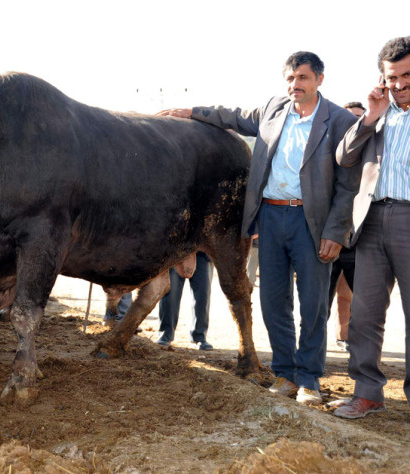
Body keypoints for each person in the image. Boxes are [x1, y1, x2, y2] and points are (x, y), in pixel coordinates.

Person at [159, 51, 358, 405]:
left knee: (312, 305)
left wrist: (335, 232)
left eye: (303, 78)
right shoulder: (273, 109)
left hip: (312, 224)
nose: (295, 85)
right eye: (290, 79)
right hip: (270, 216)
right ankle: (285, 375)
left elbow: (347, 184)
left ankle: (310, 380)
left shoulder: (339, 120)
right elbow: (232, 116)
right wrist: (191, 112)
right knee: (271, 301)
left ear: (319, 80)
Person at [333, 36, 410, 419]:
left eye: (406, 75)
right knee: (364, 315)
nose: (399, 85)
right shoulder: (376, 117)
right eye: (392, 78)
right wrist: (369, 117)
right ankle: (368, 393)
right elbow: (343, 156)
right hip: (373, 220)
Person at [328, 102, 366, 352]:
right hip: (329, 238)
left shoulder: (372, 158)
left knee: (360, 299)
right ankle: (315, 345)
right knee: (321, 298)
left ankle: (352, 341)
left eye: (361, 120)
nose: (356, 124)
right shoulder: (328, 157)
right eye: (351, 118)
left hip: (359, 240)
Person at [156, 252, 214, 350]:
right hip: (176, 250)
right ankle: (165, 334)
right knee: (170, 294)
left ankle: (199, 336)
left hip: (203, 253)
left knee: (203, 296)